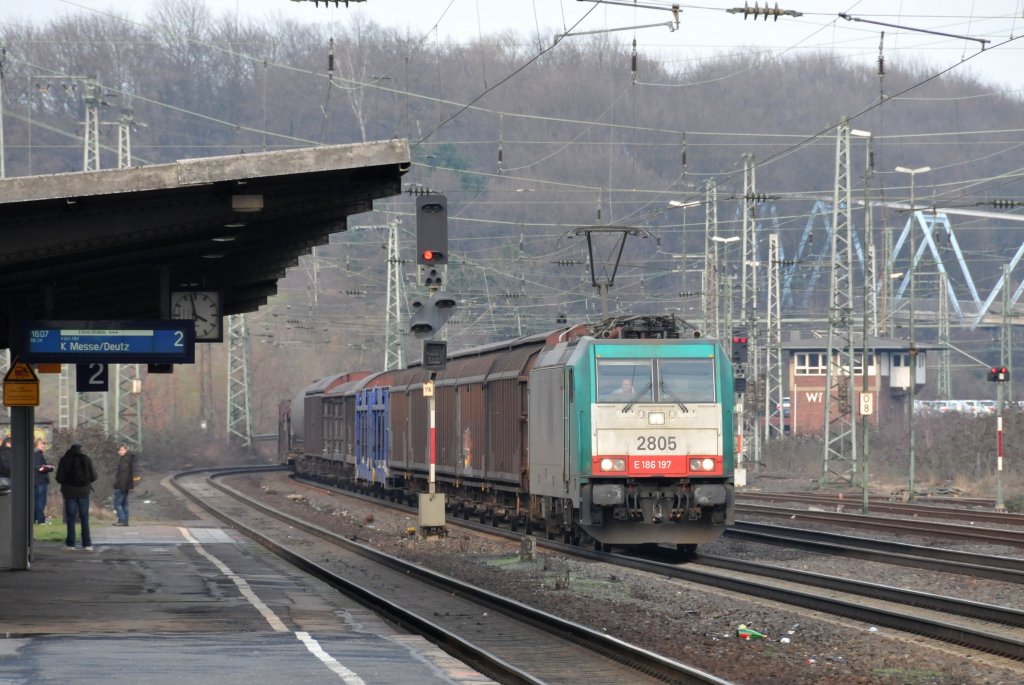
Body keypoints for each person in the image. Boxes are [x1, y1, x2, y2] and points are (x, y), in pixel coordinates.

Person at [55, 443, 98, 551]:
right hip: (84, 492)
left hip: (69, 493)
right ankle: (87, 544)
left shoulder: (64, 460)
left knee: (71, 518)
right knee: (84, 518)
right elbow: (94, 476)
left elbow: (59, 478)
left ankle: (70, 544)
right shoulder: (86, 459)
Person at [112, 443, 138, 526]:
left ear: (126, 450)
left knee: (117, 503)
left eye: (122, 450)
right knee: (124, 503)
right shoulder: (128, 458)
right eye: (119, 450)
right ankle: (124, 520)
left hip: (121, 485)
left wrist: (121, 485)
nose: (120, 452)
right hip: (126, 485)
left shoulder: (124, 460)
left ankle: (122, 520)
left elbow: (124, 474)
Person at [32, 437, 55, 524]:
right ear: (37, 444)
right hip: (40, 481)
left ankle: (34, 518)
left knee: (35, 501)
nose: (44, 446)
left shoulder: (33, 454)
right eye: (42, 444)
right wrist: (49, 468)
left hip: (35, 480)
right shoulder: (38, 454)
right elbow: (40, 468)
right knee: (41, 501)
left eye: (45, 444)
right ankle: (40, 519)